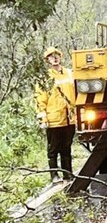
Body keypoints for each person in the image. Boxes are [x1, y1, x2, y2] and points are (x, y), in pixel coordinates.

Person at [36, 46, 76, 183]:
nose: (54, 58)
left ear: (60, 56)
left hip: (70, 119)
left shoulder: (70, 73)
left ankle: (68, 174)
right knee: (53, 149)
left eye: (56, 55)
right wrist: (43, 118)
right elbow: (40, 98)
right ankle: (54, 176)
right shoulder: (45, 77)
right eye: (50, 56)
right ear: (47, 60)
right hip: (53, 119)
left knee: (66, 148)